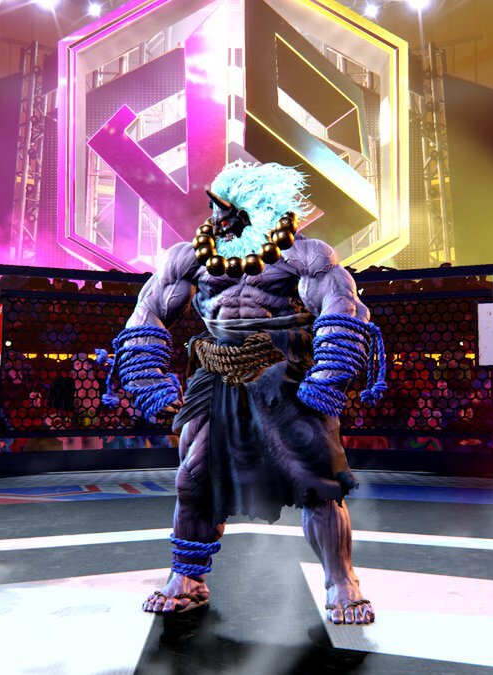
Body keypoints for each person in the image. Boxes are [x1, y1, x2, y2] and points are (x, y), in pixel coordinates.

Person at [101, 161, 385, 625]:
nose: (215, 216)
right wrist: (148, 375)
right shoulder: (189, 256)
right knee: (194, 478)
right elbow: (147, 311)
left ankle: (342, 581)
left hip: (284, 374)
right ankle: (187, 577)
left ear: (255, 208)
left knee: (318, 481)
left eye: (225, 208)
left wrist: (330, 372)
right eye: (214, 206)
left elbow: (342, 305)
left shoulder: (304, 254)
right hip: (215, 373)